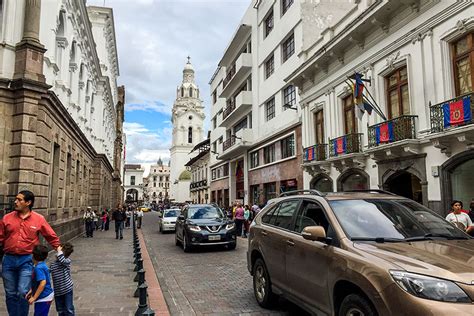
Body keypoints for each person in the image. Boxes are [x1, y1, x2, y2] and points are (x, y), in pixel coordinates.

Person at [0, 190, 60, 316]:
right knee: (10, 293)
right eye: (16, 199)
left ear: (28, 202)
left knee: (23, 292)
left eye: (19, 199)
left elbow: (51, 236)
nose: (15, 202)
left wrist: (59, 251)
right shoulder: (7, 218)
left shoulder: (38, 219)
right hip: (8, 260)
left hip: (27, 260)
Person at [26, 245, 54, 316]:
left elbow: (42, 283)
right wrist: (32, 291)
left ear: (33, 256)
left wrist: (34, 297)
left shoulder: (38, 268)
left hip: (43, 297)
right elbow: (38, 283)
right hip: (45, 296)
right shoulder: (42, 265)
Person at [50, 243, 75, 316]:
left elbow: (62, 260)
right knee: (60, 310)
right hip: (58, 290)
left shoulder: (67, 261)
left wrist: (59, 251)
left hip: (67, 289)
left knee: (69, 309)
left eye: (59, 252)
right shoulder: (53, 264)